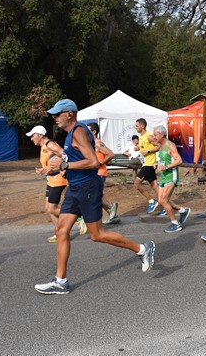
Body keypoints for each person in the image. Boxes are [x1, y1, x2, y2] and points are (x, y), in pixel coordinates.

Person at [34, 99, 155, 295]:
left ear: (70, 114)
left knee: (97, 234)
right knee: (61, 230)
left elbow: (92, 161)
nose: (55, 118)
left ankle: (142, 249)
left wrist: (65, 166)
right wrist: (58, 168)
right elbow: (75, 159)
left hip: (87, 187)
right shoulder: (70, 134)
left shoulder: (79, 131)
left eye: (58, 114)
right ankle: (61, 281)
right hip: (75, 187)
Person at [27, 125, 86, 242]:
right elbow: (51, 163)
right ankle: (59, 232)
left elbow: (66, 156)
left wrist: (63, 168)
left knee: (52, 208)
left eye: (33, 135)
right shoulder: (43, 146)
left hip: (58, 180)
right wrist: (44, 169)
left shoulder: (50, 145)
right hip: (51, 180)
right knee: (48, 208)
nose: (31, 138)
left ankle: (78, 217)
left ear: (40, 135)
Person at [151, 125, 191, 233]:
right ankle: (183, 210)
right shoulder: (160, 145)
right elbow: (164, 159)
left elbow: (179, 160)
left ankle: (175, 223)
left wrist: (167, 167)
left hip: (171, 175)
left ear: (162, 134)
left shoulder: (170, 145)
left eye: (155, 135)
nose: (154, 137)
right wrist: (157, 164)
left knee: (163, 200)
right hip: (163, 176)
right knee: (161, 201)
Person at [87, 123, 118, 223]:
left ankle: (111, 207)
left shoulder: (98, 143)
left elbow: (110, 154)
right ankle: (113, 215)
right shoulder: (90, 143)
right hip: (94, 173)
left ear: (94, 132)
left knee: (94, 196)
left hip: (100, 172)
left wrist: (99, 163)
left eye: (88, 130)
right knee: (96, 195)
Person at [133, 118, 160, 214]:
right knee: (155, 186)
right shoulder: (140, 136)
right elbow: (144, 147)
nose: (135, 127)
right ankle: (165, 204)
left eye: (137, 125)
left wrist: (148, 151)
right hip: (147, 163)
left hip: (149, 164)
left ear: (142, 126)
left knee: (136, 183)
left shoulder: (149, 136)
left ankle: (152, 201)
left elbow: (158, 146)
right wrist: (138, 148)